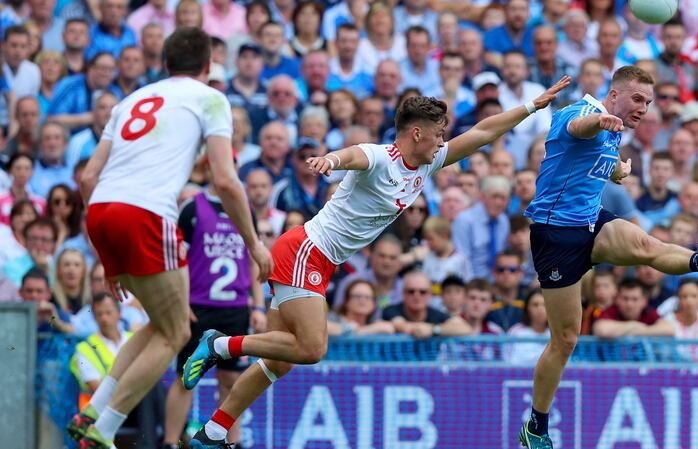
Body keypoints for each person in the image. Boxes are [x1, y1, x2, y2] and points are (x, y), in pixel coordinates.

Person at [179, 75, 572, 447]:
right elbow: (351, 156)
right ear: (416, 133)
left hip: (317, 258)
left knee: (278, 363)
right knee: (312, 349)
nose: (442, 142)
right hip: (306, 251)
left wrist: (530, 106)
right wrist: (330, 161)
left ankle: (212, 433)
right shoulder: (381, 156)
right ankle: (221, 345)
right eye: (438, 134)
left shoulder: (428, 162)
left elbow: (483, 132)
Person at [67, 28, 271, 449]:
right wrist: (254, 242)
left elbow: (88, 178)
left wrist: (107, 257)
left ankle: (91, 409)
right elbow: (226, 181)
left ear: (164, 64)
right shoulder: (210, 98)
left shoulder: (130, 101)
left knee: (161, 324)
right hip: (145, 213)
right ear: (208, 66)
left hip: (102, 211)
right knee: (176, 334)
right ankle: (103, 429)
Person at [518, 66, 698, 449]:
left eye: (648, 103)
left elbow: (598, 158)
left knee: (645, 247)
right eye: (637, 99)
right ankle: (535, 425)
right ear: (613, 95)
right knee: (566, 339)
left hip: (590, 222)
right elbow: (577, 130)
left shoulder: (614, 133)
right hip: (556, 235)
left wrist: (618, 171)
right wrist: (599, 120)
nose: (644, 108)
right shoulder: (578, 114)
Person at [163, 153, 267, 449]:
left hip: (234, 308)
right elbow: (176, 260)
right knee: (186, 376)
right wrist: (180, 303)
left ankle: (230, 442)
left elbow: (251, 260)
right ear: (209, 167)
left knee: (231, 380)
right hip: (198, 307)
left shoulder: (244, 209)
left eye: (232, 164)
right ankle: (170, 441)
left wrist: (256, 305)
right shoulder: (192, 208)